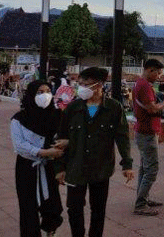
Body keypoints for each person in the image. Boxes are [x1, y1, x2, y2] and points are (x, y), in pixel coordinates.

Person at [55, 67, 134, 237]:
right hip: (75, 167)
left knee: (98, 210)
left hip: (101, 167)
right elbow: (61, 138)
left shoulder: (114, 108)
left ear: (100, 86)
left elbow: (122, 137)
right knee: (74, 208)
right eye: (80, 84)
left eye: (87, 84)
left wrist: (127, 164)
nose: (81, 88)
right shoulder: (73, 108)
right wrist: (60, 168)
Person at [11, 80, 64, 237]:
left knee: (52, 204)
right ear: (31, 95)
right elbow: (19, 145)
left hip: (50, 167)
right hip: (27, 167)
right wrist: (44, 152)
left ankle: (50, 231)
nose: (45, 95)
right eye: (40, 92)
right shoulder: (19, 119)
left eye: (48, 91)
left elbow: (63, 139)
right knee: (28, 206)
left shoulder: (57, 116)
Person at [132, 59, 164, 216]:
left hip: (144, 130)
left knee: (145, 168)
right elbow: (152, 109)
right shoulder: (144, 86)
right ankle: (140, 204)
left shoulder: (140, 84)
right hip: (147, 132)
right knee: (151, 169)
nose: (158, 77)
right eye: (158, 73)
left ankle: (143, 198)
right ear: (150, 70)